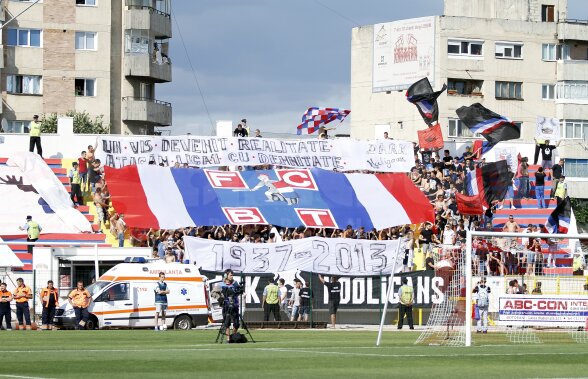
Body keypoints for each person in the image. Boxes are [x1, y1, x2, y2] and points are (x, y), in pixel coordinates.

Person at [220, 269, 242, 342]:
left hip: (234, 305)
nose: (232, 276)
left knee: (236, 323)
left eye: (232, 275)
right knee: (227, 323)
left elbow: (239, 291)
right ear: (226, 275)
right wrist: (220, 298)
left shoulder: (235, 283)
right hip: (226, 305)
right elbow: (214, 293)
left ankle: (233, 336)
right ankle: (228, 338)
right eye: (230, 275)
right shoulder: (221, 284)